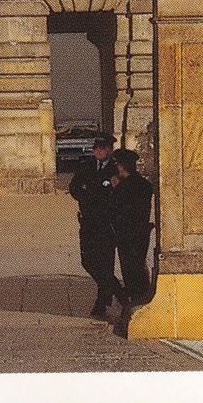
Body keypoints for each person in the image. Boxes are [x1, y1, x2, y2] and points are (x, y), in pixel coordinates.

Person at [68, 132, 120, 318]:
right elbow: (74, 187)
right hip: (88, 220)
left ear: (109, 150)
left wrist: (93, 196)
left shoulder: (115, 169)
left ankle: (102, 302)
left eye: (102, 148)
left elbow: (115, 194)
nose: (98, 151)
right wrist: (87, 197)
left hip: (106, 222)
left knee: (105, 263)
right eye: (96, 147)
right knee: (88, 261)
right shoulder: (87, 166)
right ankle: (118, 291)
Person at [108, 148, 154, 311]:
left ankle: (135, 302)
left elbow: (115, 208)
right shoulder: (145, 185)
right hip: (141, 232)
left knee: (129, 270)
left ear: (121, 167)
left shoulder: (123, 187)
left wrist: (115, 189)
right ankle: (140, 299)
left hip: (126, 234)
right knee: (139, 267)